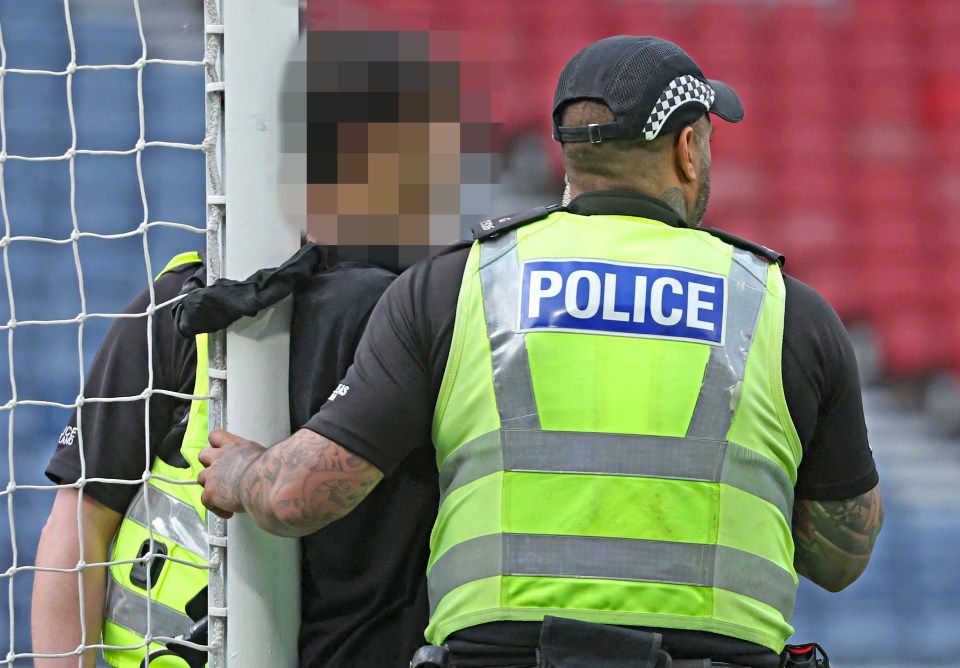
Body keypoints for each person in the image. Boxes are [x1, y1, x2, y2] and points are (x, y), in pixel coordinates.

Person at [197, 35, 883, 668]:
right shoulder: (784, 309)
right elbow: (840, 557)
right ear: (686, 149)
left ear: (567, 150)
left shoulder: (453, 287)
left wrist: (240, 475)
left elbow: (299, 497)